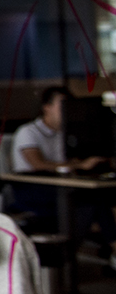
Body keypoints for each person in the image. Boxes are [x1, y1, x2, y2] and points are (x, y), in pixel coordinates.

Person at [10, 86, 116, 268]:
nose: (68, 110)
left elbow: (72, 162)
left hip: (63, 186)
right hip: (32, 188)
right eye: (63, 105)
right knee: (94, 201)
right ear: (47, 107)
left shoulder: (68, 134)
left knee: (100, 199)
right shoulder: (28, 132)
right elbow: (38, 164)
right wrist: (79, 165)